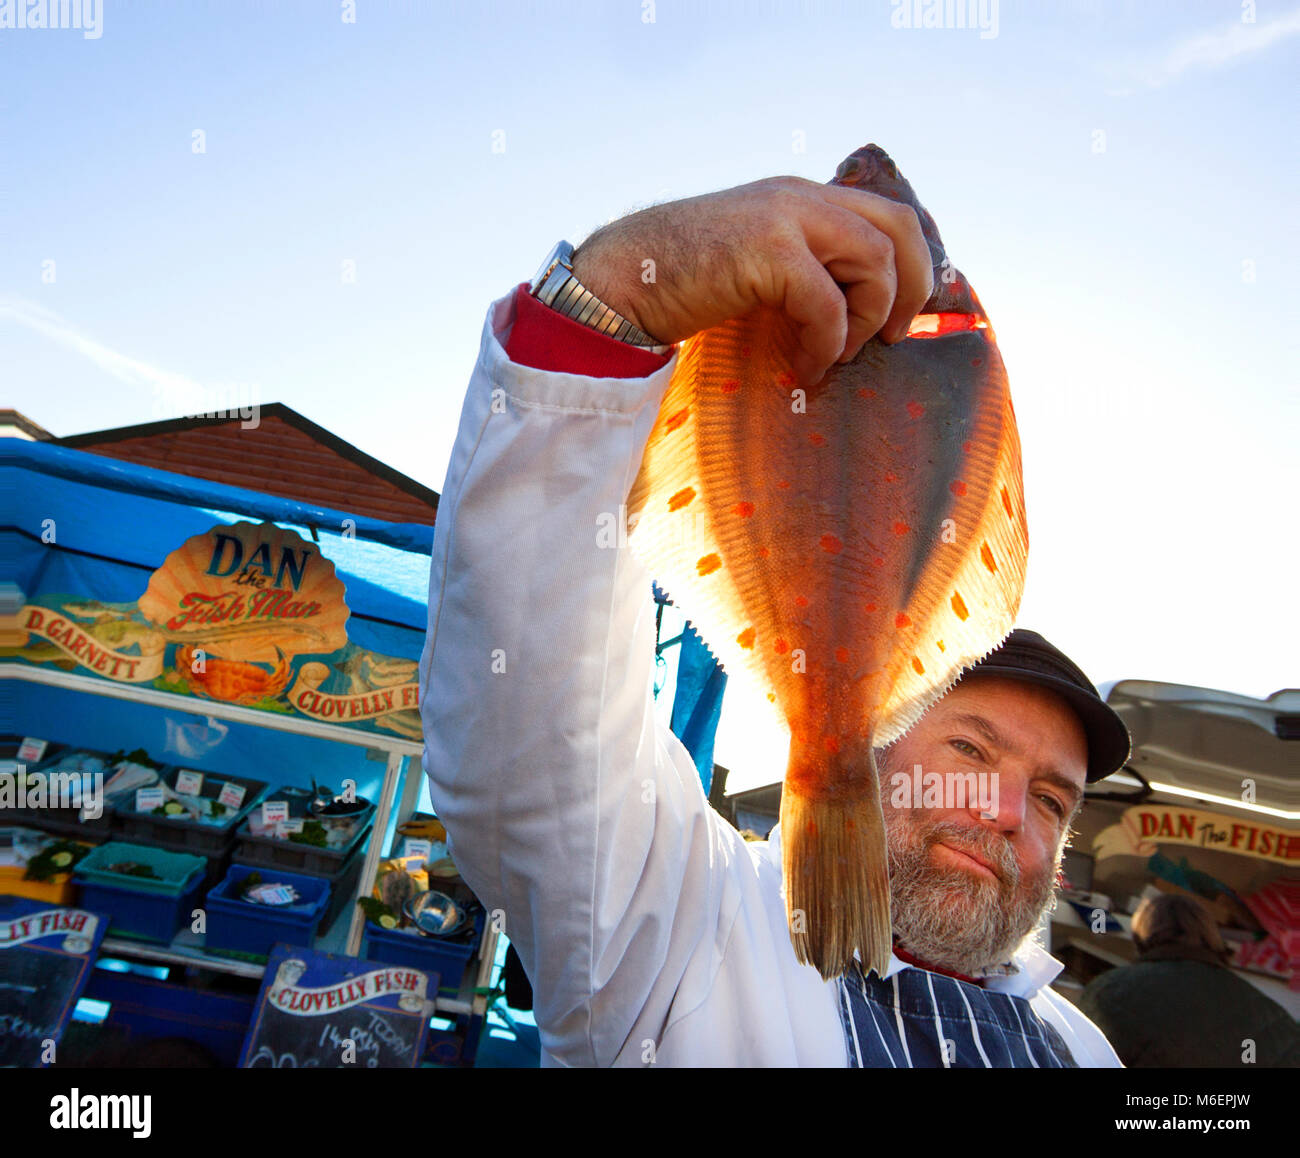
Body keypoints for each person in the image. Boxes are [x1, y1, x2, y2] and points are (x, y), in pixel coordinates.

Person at [419, 172, 1131, 1066]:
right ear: (876, 738)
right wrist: (618, 295)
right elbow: (528, 737)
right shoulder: (684, 927)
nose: (1002, 811)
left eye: (1053, 799)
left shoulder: (1088, 1052)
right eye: (969, 749)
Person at [1078, 893, 1300, 1068]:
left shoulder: (1109, 992)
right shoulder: (1272, 1016)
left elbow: (1075, 1057)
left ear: (1141, 938)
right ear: (1211, 937)